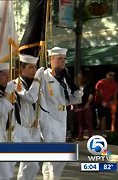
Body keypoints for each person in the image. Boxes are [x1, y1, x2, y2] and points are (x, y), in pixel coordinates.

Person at [41, 47, 83, 180]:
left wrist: (77, 94)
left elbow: (66, 99)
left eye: (64, 59)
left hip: (61, 117)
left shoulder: (64, 77)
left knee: (51, 155)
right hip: (48, 117)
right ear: (51, 60)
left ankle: (48, 178)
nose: (63, 62)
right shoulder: (43, 76)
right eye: (59, 59)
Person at [15, 54, 51, 180]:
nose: (34, 71)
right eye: (30, 67)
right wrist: (37, 80)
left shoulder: (37, 88)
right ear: (21, 69)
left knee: (31, 165)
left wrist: (47, 136)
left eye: (35, 67)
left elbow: (43, 111)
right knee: (28, 164)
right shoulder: (16, 84)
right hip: (21, 129)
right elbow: (30, 98)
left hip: (34, 130)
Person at [0, 63, 19, 180]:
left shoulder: (11, 92)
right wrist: (7, 93)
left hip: (11, 136)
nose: (7, 77)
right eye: (3, 75)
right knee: (4, 174)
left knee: (8, 173)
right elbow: (1, 111)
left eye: (9, 74)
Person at [95, 70, 118, 136]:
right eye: (110, 75)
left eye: (113, 76)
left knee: (109, 117)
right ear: (106, 74)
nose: (112, 77)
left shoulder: (114, 83)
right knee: (103, 117)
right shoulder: (101, 82)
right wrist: (103, 101)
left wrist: (112, 101)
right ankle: (103, 133)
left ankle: (108, 132)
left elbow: (115, 94)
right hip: (100, 103)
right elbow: (99, 92)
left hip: (108, 103)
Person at [75, 68, 94, 140]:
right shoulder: (77, 86)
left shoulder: (89, 84)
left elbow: (91, 94)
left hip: (87, 105)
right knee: (80, 122)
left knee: (88, 121)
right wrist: (75, 105)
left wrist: (88, 103)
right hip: (79, 105)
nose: (78, 76)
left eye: (80, 74)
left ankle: (90, 135)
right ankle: (80, 135)